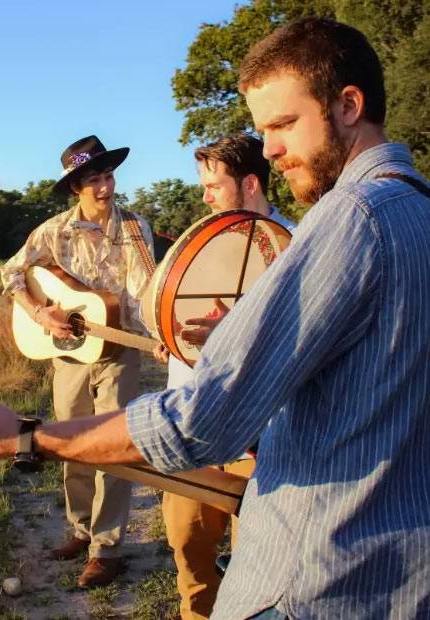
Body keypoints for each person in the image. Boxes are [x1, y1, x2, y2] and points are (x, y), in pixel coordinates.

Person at [0, 18, 430, 619]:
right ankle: (80, 529)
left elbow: (202, 421)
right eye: (263, 128)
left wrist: (24, 436)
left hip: (314, 584)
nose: (268, 149)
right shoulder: (416, 207)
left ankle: (108, 544)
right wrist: (242, 336)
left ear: (349, 105)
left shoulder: (346, 217)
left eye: (282, 124)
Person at [0, 135, 155, 589]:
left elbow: (144, 290)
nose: (105, 188)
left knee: (112, 446)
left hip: (120, 348)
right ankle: (80, 528)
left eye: (108, 177)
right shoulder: (52, 232)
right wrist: (40, 311)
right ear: (75, 188)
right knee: (72, 441)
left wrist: (160, 331)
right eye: (94, 181)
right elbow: (11, 273)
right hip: (69, 354)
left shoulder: (134, 228)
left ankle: (106, 548)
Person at [157, 133, 294, 620]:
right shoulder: (206, 244)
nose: (205, 196)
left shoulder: (296, 249)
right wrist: (173, 339)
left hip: (264, 444)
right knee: (189, 552)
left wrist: (233, 335)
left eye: (214, 185)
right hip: (195, 431)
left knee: (255, 569)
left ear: (250, 183)